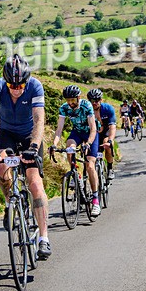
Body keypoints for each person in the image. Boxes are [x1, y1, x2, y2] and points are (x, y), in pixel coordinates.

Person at [0, 54, 51, 260]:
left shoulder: (35, 87)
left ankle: (44, 239)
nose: (16, 89)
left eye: (20, 85)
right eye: (12, 85)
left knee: (35, 185)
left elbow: (39, 121)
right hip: (7, 135)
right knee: (1, 168)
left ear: (26, 81)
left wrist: (34, 146)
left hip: (30, 136)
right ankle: (8, 203)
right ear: (5, 81)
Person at [50, 85, 101, 217]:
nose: (70, 103)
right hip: (77, 133)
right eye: (68, 100)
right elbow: (59, 129)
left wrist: (88, 143)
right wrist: (54, 144)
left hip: (90, 134)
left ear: (78, 98)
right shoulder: (64, 108)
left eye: (73, 100)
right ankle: (75, 174)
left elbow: (93, 128)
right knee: (69, 147)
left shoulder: (86, 106)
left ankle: (95, 200)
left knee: (90, 165)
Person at [88, 88, 117, 180]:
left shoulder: (108, 109)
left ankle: (110, 168)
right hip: (92, 133)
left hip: (105, 132)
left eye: (97, 100)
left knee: (107, 145)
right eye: (92, 101)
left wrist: (110, 140)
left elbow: (112, 126)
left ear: (101, 100)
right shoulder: (87, 110)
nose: (94, 103)